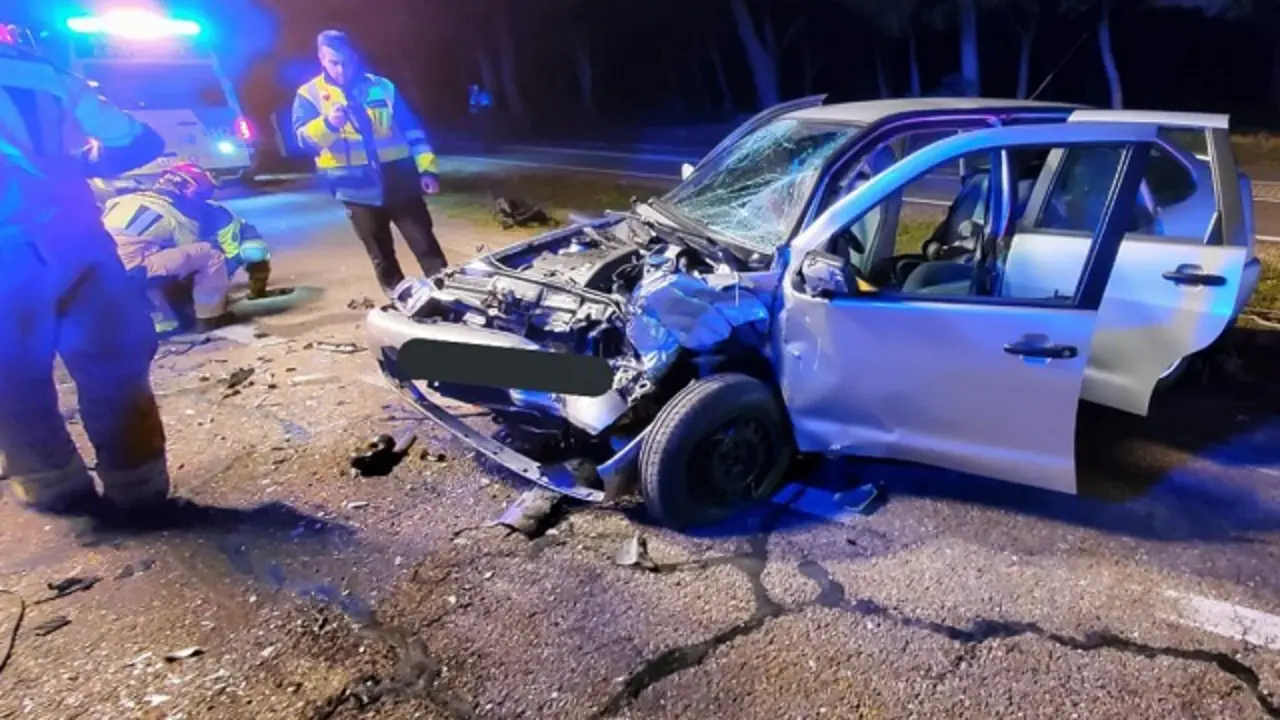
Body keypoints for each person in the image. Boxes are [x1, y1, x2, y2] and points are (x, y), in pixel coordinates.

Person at [0, 22, 174, 520]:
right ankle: (139, 489)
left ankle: (52, 487)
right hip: (74, 239)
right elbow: (139, 142)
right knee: (113, 364)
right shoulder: (41, 71)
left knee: (12, 375)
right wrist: (74, 162)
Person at [291, 30, 448, 299]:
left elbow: (413, 130)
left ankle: (449, 294)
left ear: (355, 56)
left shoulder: (382, 86)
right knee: (382, 256)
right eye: (334, 63)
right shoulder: (309, 94)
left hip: (400, 181)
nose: (341, 70)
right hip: (354, 188)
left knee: (427, 246)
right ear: (321, 59)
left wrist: (427, 169)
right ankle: (401, 302)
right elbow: (303, 141)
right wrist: (328, 124)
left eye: (346, 61)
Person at [101, 163, 279, 334]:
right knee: (209, 254)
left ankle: (158, 318)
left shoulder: (122, 200)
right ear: (189, 189)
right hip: (131, 270)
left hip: (99, 271)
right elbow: (190, 258)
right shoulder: (177, 213)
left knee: (154, 261)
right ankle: (211, 317)